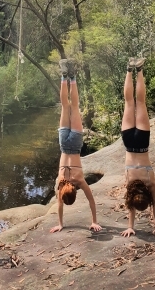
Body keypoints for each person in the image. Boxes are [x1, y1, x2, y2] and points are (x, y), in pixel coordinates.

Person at [50, 59, 102, 234]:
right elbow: (59, 205)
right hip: (64, 144)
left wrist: (94, 221)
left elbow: (91, 201)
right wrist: (60, 223)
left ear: (74, 191)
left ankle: (72, 77)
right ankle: (64, 76)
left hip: (75, 144)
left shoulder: (80, 180)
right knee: (66, 106)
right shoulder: (60, 182)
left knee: (74, 106)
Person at [120, 57, 155, 239]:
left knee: (140, 102)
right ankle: (129, 69)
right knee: (129, 102)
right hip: (129, 143)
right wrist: (130, 226)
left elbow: (154, 205)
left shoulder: (150, 183)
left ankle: (138, 69)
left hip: (143, 143)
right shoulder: (130, 184)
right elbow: (131, 205)